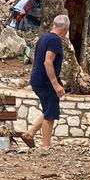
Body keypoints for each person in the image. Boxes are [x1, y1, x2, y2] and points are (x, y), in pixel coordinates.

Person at [22, 13, 70, 149]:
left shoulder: (44, 37)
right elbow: (48, 62)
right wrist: (55, 84)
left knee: (49, 109)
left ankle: (30, 133)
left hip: (37, 78)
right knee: (50, 115)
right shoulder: (55, 40)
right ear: (66, 28)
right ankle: (46, 147)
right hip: (46, 81)